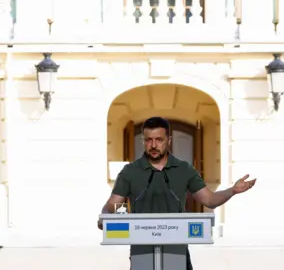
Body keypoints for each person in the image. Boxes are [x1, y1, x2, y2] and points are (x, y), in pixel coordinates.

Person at [98, 116, 256, 270]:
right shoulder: (130, 171)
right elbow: (112, 204)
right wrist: (105, 216)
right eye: (148, 140)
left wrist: (233, 190)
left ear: (169, 140)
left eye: (159, 139)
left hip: (176, 253)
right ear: (143, 141)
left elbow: (209, 199)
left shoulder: (184, 169)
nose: (153, 145)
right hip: (142, 254)